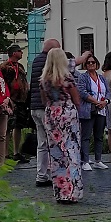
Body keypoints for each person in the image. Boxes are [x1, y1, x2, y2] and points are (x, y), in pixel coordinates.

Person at [40, 47, 83, 203]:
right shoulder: (67, 78)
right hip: (67, 113)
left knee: (56, 154)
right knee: (71, 152)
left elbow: (44, 100)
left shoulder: (44, 80)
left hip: (51, 114)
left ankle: (60, 192)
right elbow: (76, 99)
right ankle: (72, 192)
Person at [28, 38, 59, 187]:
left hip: (34, 106)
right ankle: (54, 174)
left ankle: (41, 175)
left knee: (42, 143)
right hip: (44, 107)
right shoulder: (49, 62)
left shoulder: (36, 61)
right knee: (52, 141)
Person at [75, 53, 108, 170]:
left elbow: (108, 92)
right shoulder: (83, 77)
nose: (90, 64)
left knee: (99, 136)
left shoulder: (102, 78)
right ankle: (85, 160)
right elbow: (82, 92)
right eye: (88, 62)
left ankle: (98, 160)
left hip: (101, 110)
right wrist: (95, 102)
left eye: (92, 62)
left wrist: (105, 101)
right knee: (86, 136)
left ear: (97, 64)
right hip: (88, 110)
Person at [0, 45, 31, 162]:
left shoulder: (20, 66)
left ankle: (16, 152)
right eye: (19, 51)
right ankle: (5, 153)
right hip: (10, 100)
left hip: (21, 100)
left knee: (18, 126)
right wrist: (6, 98)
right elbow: (2, 84)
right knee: (7, 126)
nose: (22, 53)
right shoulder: (4, 67)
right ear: (14, 53)